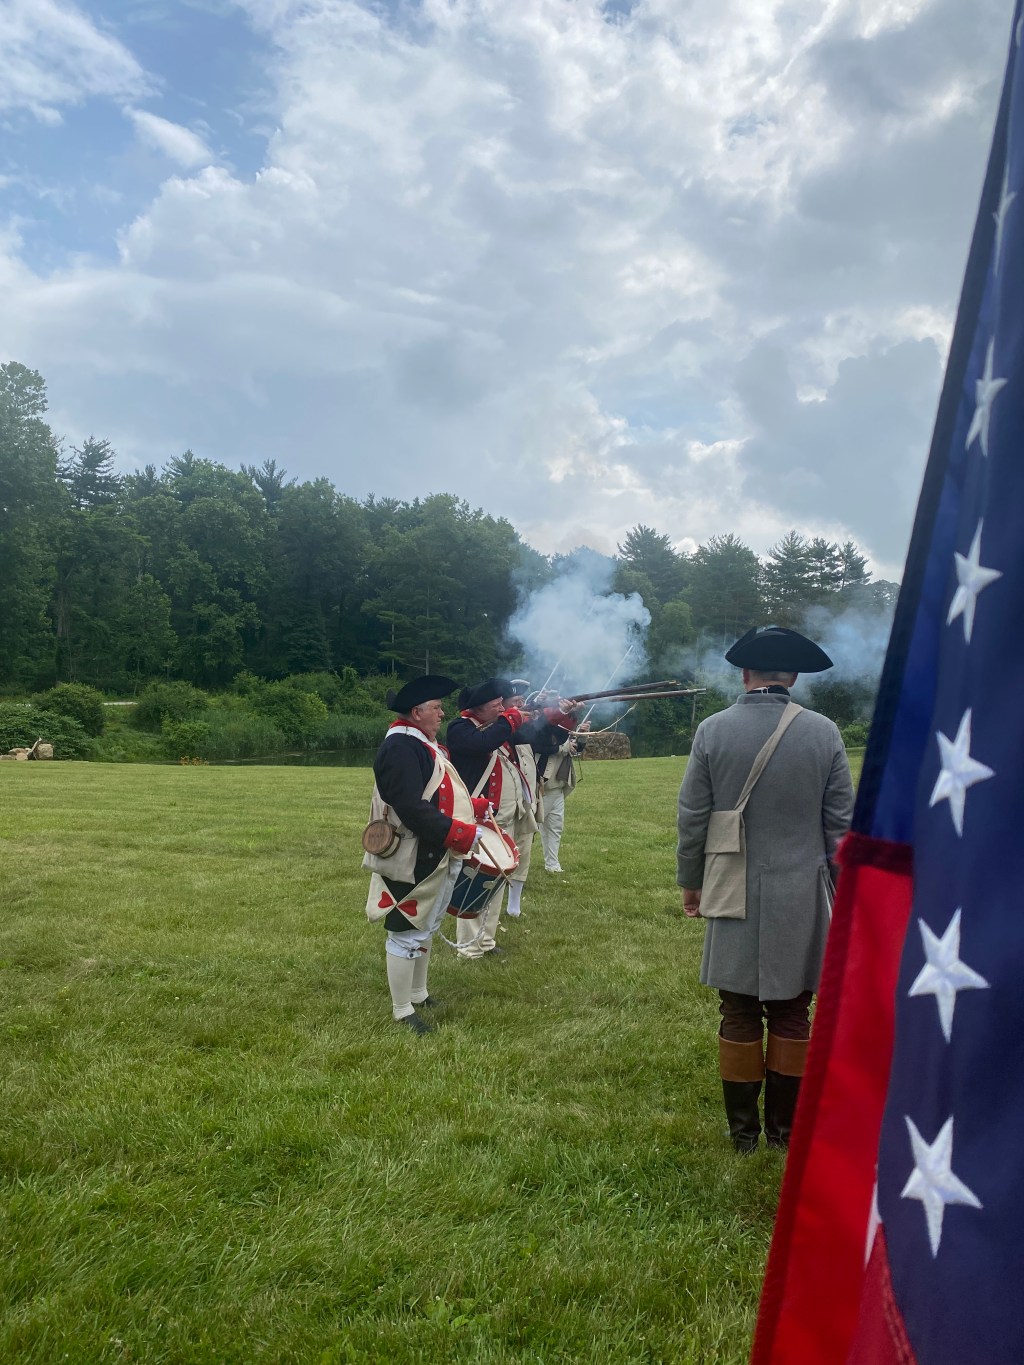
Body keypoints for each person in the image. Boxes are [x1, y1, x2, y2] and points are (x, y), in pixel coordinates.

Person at [676, 626, 854, 1152]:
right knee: (794, 1012)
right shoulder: (825, 733)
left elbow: (692, 818)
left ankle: (743, 1136)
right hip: (803, 893)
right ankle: (784, 1134)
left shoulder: (712, 729)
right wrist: (842, 895)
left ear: (745, 674)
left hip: (729, 886)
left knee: (737, 1011)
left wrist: (692, 882)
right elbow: (840, 827)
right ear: (793, 677)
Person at [362, 675, 492, 1034]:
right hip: (411, 852)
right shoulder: (401, 747)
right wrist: (459, 833)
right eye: (436, 707)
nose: (442, 713)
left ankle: (418, 993)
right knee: (405, 928)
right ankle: (402, 1010)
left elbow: (438, 792)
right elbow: (408, 806)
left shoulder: (420, 742)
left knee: (425, 927)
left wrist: (472, 807)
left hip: (432, 849)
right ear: (416, 712)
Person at [529, 691, 589, 873]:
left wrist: (582, 736)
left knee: (555, 828)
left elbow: (575, 749)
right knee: (530, 829)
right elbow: (538, 746)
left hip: (558, 786)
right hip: (540, 786)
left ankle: (553, 865)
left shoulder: (563, 728)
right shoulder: (539, 727)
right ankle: (515, 862)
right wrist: (562, 748)